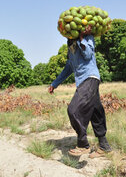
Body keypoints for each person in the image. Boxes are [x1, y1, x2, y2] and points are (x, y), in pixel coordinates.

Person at [48, 25, 111, 158]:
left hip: (90, 78)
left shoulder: (88, 38)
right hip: (83, 81)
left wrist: (82, 37)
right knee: (96, 112)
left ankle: (83, 145)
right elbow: (68, 68)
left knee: (74, 110)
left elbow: (88, 55)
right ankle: (104, 146)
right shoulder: (70, 48)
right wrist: (54, 84)